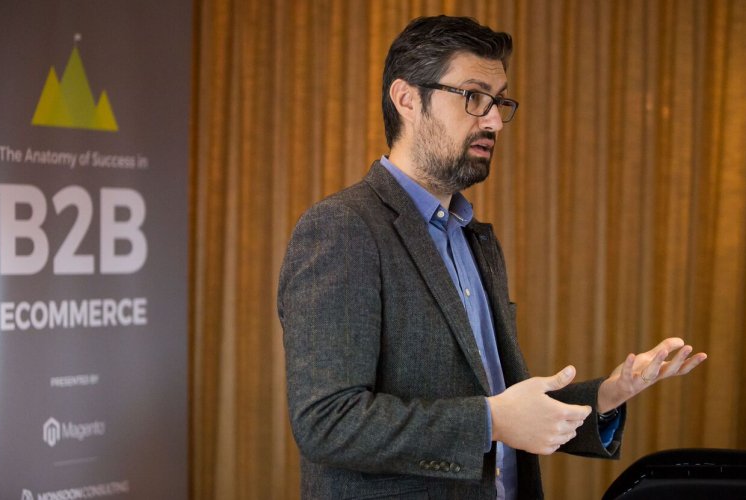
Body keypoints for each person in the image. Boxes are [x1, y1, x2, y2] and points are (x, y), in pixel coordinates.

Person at [277, 15, 707, 499]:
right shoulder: (342, 228)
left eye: (500, 101)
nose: (494, 120)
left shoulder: (475, 239)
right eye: (473, 97)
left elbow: (508, 404)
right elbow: (326, 421)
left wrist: (608, 394)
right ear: (406, 99)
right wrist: (490, 422)